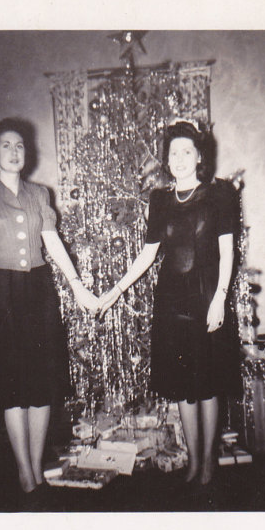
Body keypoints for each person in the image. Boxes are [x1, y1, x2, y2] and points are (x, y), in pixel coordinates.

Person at [0, 117, 98, 499]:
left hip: (40, 291)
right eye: (6, 144)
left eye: (19, 145)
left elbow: (53, 245)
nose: (14, 151)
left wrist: (77, 287)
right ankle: (24, 471)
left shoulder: (39, 194)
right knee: (12, 385)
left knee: (40, 383)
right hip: (4, 291)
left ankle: (38, 467)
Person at [99, 119, 242, 485]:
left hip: (207, 295)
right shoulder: (160, 200)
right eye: (173, 152)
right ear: (167, 158)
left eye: (186, 152)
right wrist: (116, 290)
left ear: (198, 158)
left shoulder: (220, 194)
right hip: (172, 300)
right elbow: (147, 255)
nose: (179, 158)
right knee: (184, 383)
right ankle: (194, 462)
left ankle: (209, 463)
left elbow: (228, 253)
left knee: (207, 383)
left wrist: (220, 299)